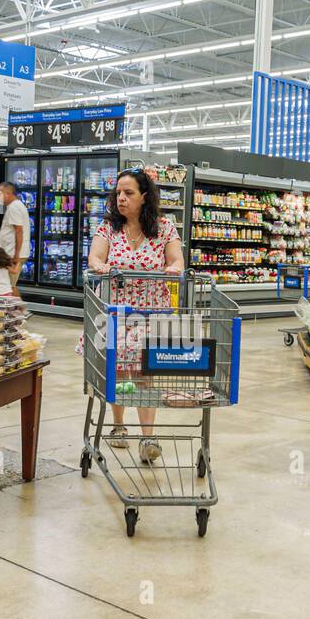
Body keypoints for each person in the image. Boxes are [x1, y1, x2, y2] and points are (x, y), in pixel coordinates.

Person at [83, 167, 185, 465]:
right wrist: (100, 267)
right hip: (115, 308)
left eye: (128, 193)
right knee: (117, 369)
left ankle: (148, 437)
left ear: (144, 196)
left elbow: (176, 258)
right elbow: (95, 257)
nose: (121, 198)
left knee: (146, 373)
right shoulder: (107, 228)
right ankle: (117, 425)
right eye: (117, 193)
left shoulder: (164, 227)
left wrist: (175, 268)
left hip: (152, 310)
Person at [0, 181, 31, 289]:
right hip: (11, 253)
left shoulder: (14, 208)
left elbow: (19, 231)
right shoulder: (15, 206)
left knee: (6, 287)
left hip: (12, 254)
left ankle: (12, 305)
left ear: (8, 193)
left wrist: (16, 255)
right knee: (9, 285)